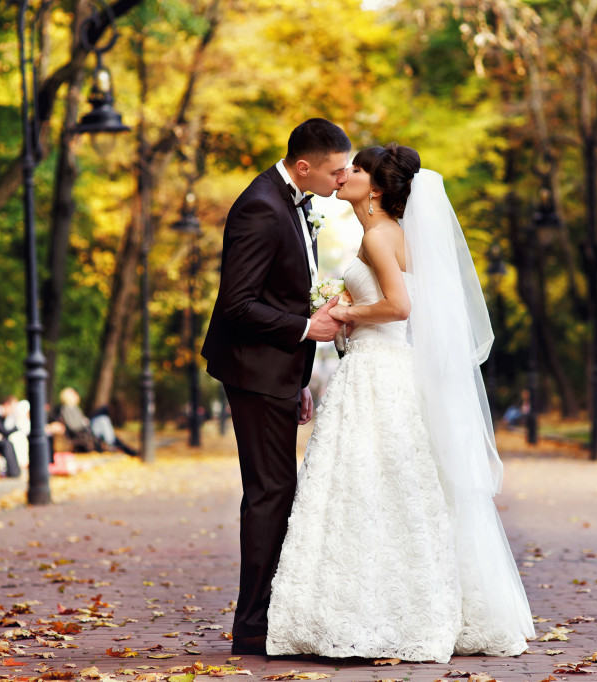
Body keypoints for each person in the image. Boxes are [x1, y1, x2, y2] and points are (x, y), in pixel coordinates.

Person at [265, 145, 534, 661]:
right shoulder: (397, 236)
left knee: (367, 489)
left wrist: (344, 314)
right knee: (390, 491)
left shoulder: (379, 235)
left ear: (379, 188)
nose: (346, 175)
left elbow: (398, 307)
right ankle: (392, 608)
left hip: (377, 373)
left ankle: (375, 613)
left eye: (358, 170)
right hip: (384, 371)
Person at [201, 118, 350, 656]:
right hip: (253, 370)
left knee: (277, 491)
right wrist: (310, 329)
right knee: (270, 494)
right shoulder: (261, 206)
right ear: (304, 166)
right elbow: (238, 305)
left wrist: (301, 377)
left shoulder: (293, 201)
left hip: (278, 372)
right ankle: (253, 627)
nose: (344, 178)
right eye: (336, 171)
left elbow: (285, 291)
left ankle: (265, 617)